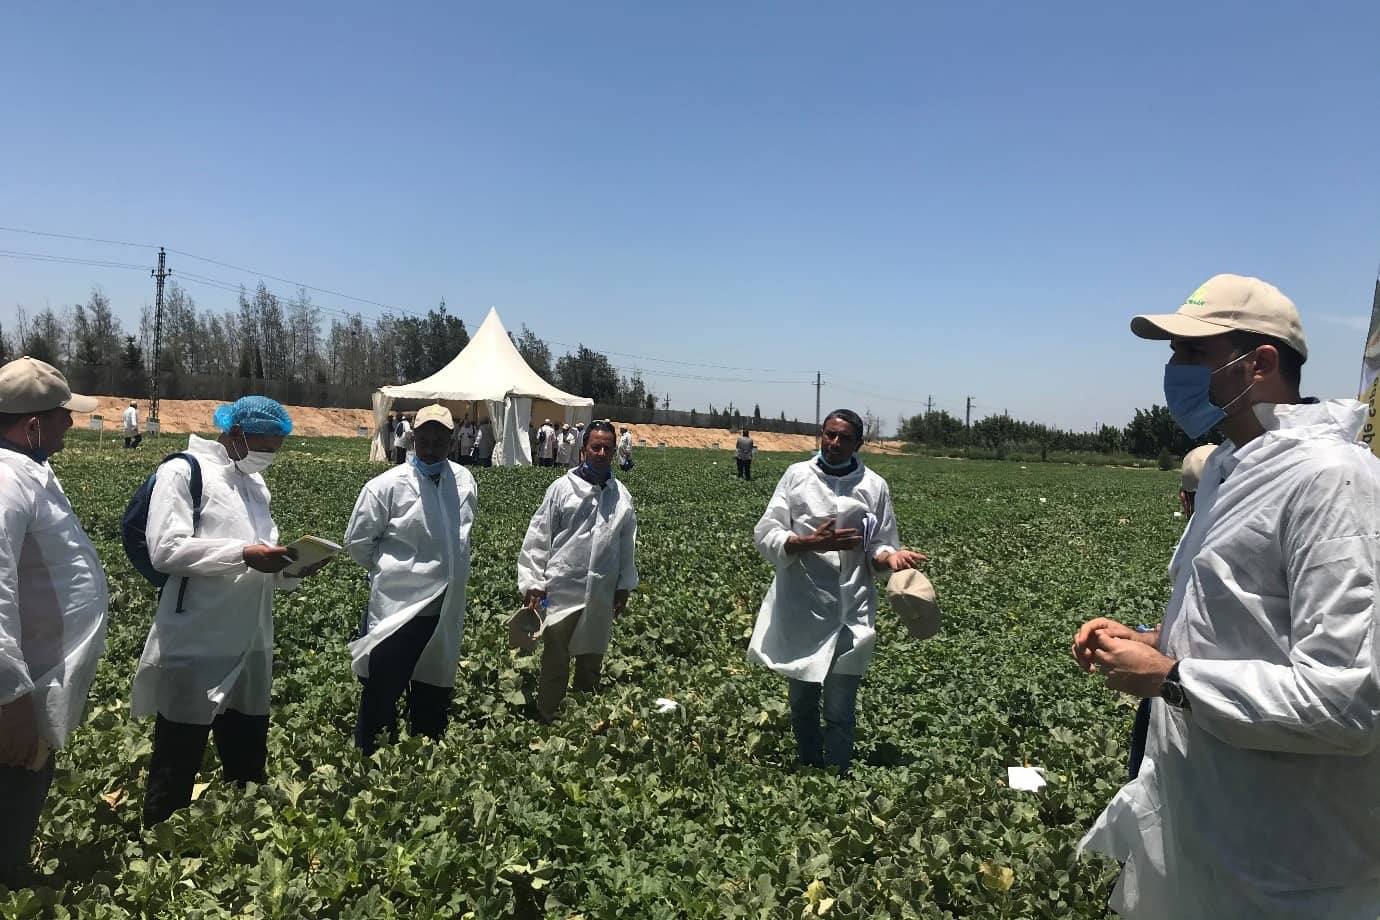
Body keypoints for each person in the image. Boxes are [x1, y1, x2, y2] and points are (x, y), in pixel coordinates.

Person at [1073, 274, 1380, 917]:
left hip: (1292, 862)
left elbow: (1350, 702)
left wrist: (1172, 678)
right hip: (1208, 825)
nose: (1172, 371)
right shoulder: (1228, 467)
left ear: (1261, 363)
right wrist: (1153, 641)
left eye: (1191, 354)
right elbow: (1246, 626)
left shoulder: (1331, 481)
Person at [131, 396, 327, 826]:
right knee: (178, 751)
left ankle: (245, 837)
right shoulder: (183, 472)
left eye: (277, 447)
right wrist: (243, 555)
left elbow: (262, 556)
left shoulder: (255, 486)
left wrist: (291, 570)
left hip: (252, 636)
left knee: (247, 746)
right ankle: (160, 842)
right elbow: (166, 549)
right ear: (236, 433)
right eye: (266, 444)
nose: (271, 455)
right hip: (198, 634)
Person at [747, 409, 926, 775]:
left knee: (841, 707)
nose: (834, 443)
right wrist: (808, 542)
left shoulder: (873, 486)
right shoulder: (797, 477)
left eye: (844, 438)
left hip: (852, 607)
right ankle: (811, 767)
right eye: (829, 435)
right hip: (804, 603)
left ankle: (838, 775)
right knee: (801, 700)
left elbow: (879, 545)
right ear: (821, 435)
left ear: (858, 444)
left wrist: (890, 558)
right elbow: (766, 534)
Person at [0, 357, 106, 888]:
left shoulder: (31, 467)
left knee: (21, 794)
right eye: (63, 414)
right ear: (33, 424)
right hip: (14, 691)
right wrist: (11, 699)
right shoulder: (4, 482)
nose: (73, 422)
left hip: (34, 678)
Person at [345, 404, 478, 754]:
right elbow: (358, 542)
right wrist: (393, 572)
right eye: (425, 440)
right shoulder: (385, 486)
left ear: (452, 441)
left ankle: (425, 760)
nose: (432, 447)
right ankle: (370, 762)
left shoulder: (464, 480)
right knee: (381, 694)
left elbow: (461, 534)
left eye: (440, 441)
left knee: (432, 691)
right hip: (397, 609)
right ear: (412, 439)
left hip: (443, 610)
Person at [517, 421, 638, 722]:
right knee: (556, 655)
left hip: (601, 590)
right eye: (595, 446)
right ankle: (549, 712)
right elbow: (538, 537)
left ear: (613, 452)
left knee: (592, 655)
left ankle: (585, 715)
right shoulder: (561, 489)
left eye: (607, 448)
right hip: (560, 589)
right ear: (583, 449)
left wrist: (623, 585)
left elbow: (626, 545)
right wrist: (533, 581)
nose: (600, 452)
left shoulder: (620, 496)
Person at [1124, 441, 1217, 780]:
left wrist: (1164, 672)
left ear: (1184, 498)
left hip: (1195, 697)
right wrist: (1140, 638)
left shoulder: (1207, 546)